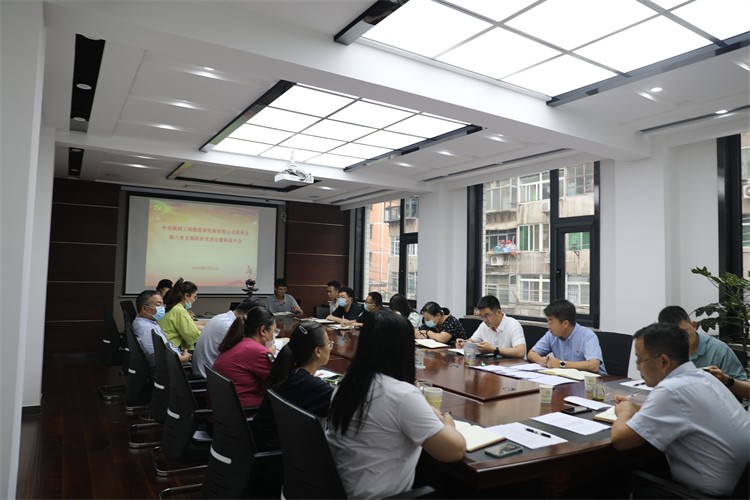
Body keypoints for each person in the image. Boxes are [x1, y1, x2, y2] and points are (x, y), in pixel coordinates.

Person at [326, 310, 466, 498]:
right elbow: (455, 450)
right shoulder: (402, 395)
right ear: (404, 349)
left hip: (340, 490)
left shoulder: (347, 384)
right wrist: (448, 424)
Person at [611, 323, 750, 497]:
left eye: (639, 360)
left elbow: (621, 441)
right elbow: (684, 411)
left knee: (618, 479)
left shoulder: (671, 390)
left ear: (663, 361)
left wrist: (624, 412)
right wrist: (637, 407)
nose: (638, 367)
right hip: (742, 488)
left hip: (707, 495)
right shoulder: (704, 376)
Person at [251, 321, 334, 451]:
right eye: (329, 344)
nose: (330, 347)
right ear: (318, 351)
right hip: (279, 454)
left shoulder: (286, 373)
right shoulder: (312, 387)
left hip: (264, 444)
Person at [657, 305, 747, 381]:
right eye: (673, 336)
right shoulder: (662, 351)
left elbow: (746, 390)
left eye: (684, 333)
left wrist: (725, 379)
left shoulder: (718, 350)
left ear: (693, 326)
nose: (679, 339)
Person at [212, 306, 277, 408]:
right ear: (263, 330)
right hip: (245, 412)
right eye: (273, 332)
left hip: (222, 409)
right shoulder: (257, 351)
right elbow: (278, 383)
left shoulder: (238, 342)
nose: (273, 337)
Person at [527, 298, 606, 374]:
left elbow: (594, 365)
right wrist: (542, 360)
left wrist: (561, 364)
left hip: (596, 380)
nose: (548, 326)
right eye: (547, 321)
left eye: (551, 322)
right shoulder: (551, 334)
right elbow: (531, 353)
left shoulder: (587, 336)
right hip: (568, 378)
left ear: (565, 323)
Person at [192, 299, 255, 379]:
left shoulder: (220, 317)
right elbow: (243, 356)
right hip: (209, 377)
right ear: (248, 315)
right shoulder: (229, 326)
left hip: (203, 370)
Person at [131, 290, 191, 367]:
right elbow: (156, 357)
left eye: (163, 304)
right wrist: (183, 358)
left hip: (174, 357)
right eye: (158, 304)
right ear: (145, 309)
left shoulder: (149, 321)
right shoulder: (146, 328)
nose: (163, 308)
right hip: (172, 367)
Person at [456, 295, 526, 358]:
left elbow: (520, 352)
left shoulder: (513, 325)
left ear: (498, 312)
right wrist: (464, 343)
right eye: (481, 316)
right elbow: (471, 341)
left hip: (512, 365)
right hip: (492, 364)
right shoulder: (484, 325)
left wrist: (493, 349)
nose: (485, 320)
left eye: (487, 315)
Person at [159, 278, 203, 350]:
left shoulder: (174, 307)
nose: (194, 300)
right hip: (174, 350)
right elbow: (193, 336)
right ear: (186, 296)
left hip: (167, 349)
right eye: (194, 297)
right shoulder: (179, 311)